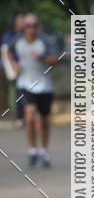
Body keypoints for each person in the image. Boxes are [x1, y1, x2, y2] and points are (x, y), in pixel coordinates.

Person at [6, 14, 60, 167]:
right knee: (29, 115)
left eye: (34, 25)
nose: (31, 29)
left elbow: (56, 60)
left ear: (38, 26)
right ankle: (32, 150)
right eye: (28, 26)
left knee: (43, 120)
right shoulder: (17, 40)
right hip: (25, 84)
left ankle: (44, 151)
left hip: (45, 86)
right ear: (24, 27)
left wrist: (42, 57)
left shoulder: (45, 41)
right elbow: (7, 51)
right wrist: (14, 65)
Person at [1, 12, 26, 127]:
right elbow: (5, 52)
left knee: (25, 92)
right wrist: (13, 68)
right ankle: (20, 118)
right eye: (21, 19)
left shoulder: (25, 34)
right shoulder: (9, 36)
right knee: (19, 92)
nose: (23, 21)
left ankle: (23, 117)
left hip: (26, 68)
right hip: (12, 68)